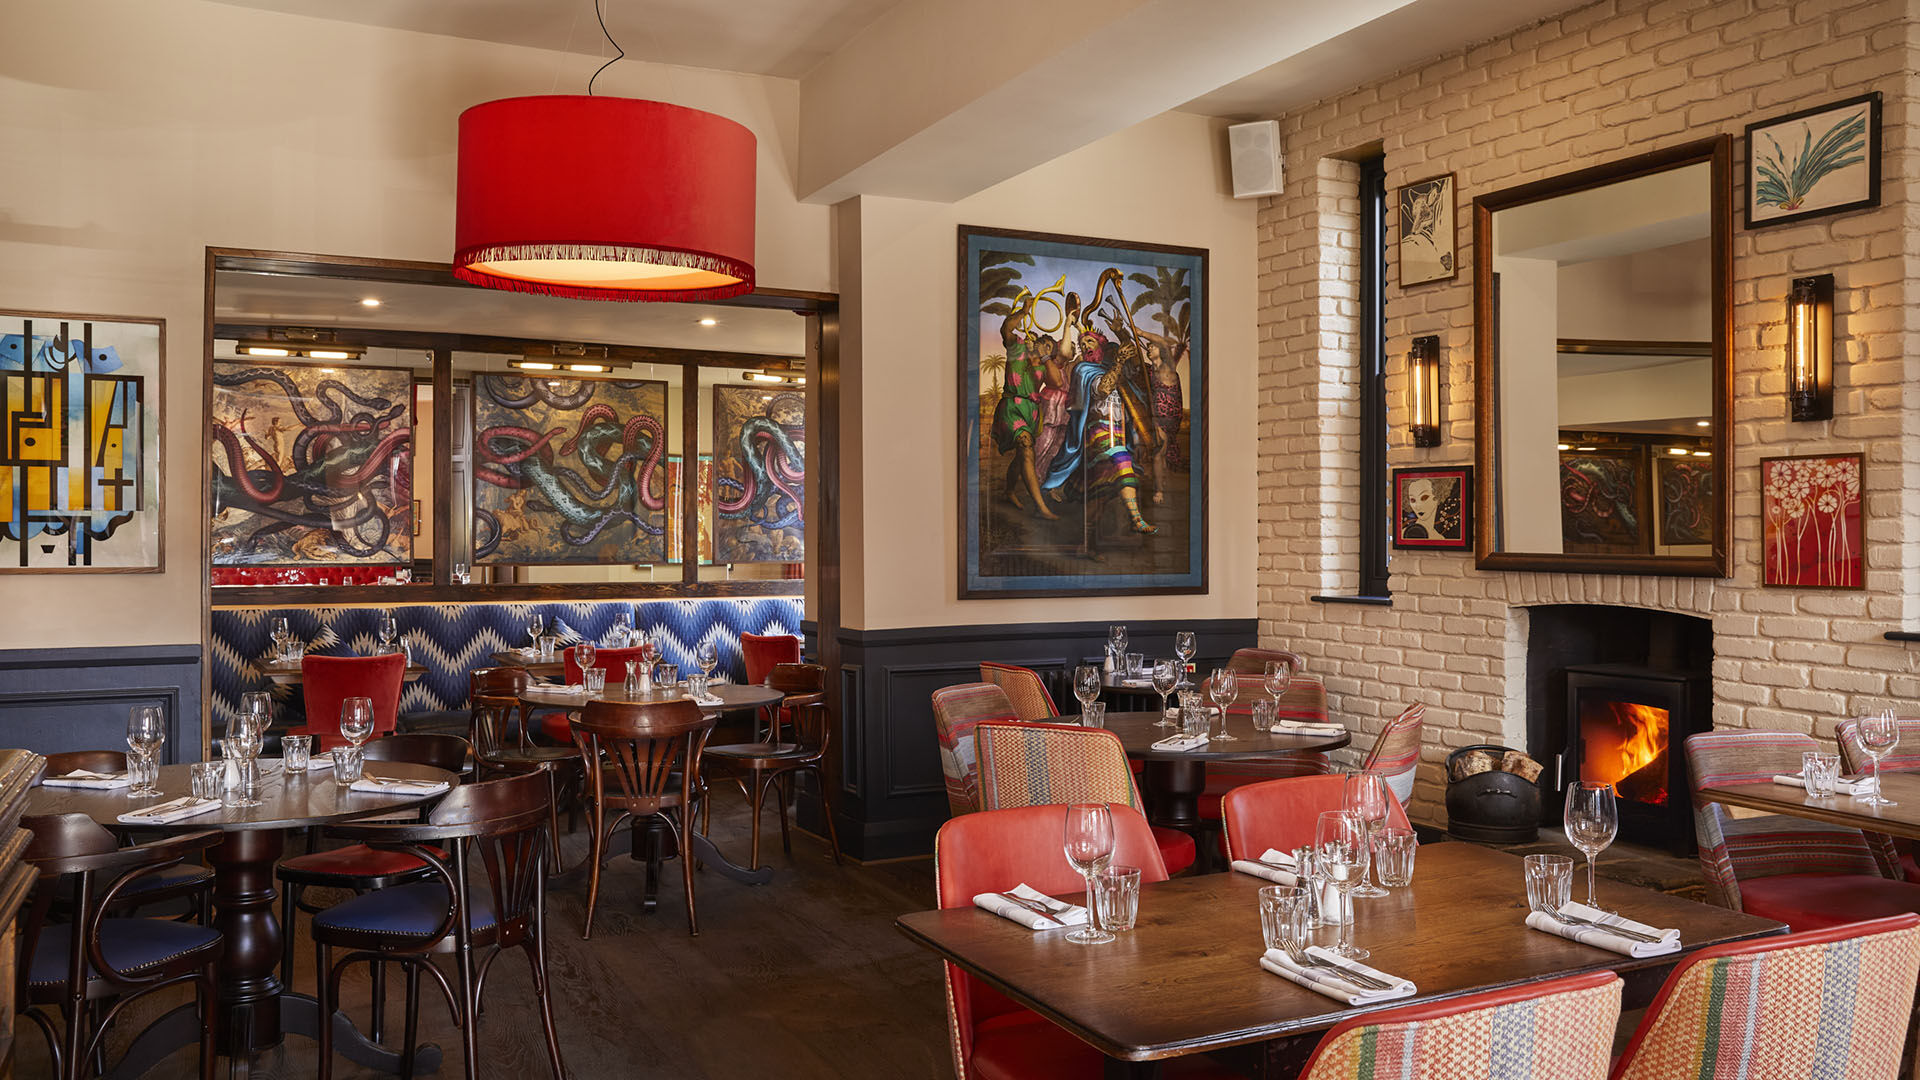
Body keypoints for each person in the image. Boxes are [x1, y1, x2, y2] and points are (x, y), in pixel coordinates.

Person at [1041, 329, 1155, 536]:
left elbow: (1137, 366)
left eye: (1090, 342)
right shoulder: (1084, 369)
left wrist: (1122, 334)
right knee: (1122, 461)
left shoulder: (1115, 369)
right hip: (1098, 432)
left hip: (1118, 433)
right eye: (1083, 344)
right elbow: (1102, 389)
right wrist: (1119, 363)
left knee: (1101, 490)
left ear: (1101, 345)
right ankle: (1136, 519)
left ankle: (1087, 545)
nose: (1086, 347)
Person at [988, 294, 1057, 519]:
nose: (1044, 347)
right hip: (1012, 408)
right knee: (1026, 450)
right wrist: (1024, 312)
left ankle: (1009, 491)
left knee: (1022, 456)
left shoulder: (1045, 366)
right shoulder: (1017, 348)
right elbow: (1006, 329)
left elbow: (1056, 381)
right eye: (1043, 342)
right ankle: (1040, 506)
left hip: (1031, 414)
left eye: (1049, 347)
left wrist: (1045, 357)